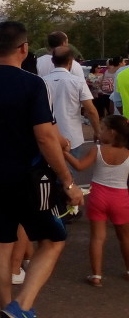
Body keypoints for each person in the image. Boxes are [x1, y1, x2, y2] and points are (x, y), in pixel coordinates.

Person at [0, 21, 84, 318]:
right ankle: (22, 305)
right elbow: (44, 136)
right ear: (24, 48)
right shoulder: (31, 83)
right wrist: (68, 181)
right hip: (30, 177)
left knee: (2, 243)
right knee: (53, 240)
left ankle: (6, 307)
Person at [63, 114, 129, 286]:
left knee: (97, 238)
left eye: (102, 128)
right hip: (120, 197)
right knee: (125, 237)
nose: (99, 132)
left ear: (112, 132)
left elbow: (79, 166)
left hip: (98, 196)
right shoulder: (127, 152)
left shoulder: (97, 150)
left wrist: (65, 153)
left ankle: (97, 276)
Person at [42, 45, 101, 160]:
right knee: (69, 174)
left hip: (49, 136)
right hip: (72, 136)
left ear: (52, 60)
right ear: (71, 61)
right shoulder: (78, 82)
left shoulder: (42, 82)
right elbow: (91, 110)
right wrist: (97, 131)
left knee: (50, 173)